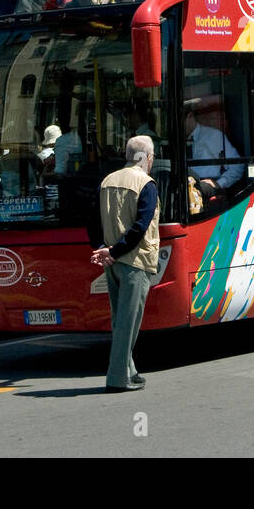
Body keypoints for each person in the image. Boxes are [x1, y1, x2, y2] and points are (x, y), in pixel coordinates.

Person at [91, 135, 160, 393]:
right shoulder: (147, 184)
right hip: (136, 260)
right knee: (129, 322)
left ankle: (130, 370)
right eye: (152, 157)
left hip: (113, 261)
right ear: (146, 158)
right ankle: (118, 377)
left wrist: (103, 249)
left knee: (120, 318)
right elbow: (140, 227)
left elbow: (92, 220)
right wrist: (116, 250)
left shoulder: (107, 181)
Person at [184, 99, 241, 209]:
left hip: (204, 185)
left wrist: (219, 183)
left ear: (190, 116)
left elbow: (238, 166)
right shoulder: (177, 141)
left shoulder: (213, 136)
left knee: (193, 193)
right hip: (185, 184)